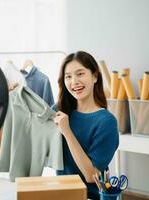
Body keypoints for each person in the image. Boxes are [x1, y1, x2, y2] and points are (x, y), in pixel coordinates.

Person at [53, 51, 119, 199]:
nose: (74, 81)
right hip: (61, 193)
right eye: (68, 76)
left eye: (80, 74)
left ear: (95, 76)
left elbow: (91, 175)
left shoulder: (107, 122)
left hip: (90, 196)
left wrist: (67, 132)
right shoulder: (60, 111)